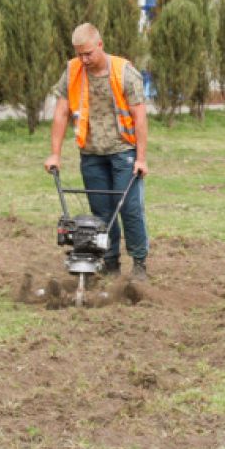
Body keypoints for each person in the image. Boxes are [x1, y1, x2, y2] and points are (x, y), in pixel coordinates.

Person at [44, 23, 150, 280]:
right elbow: (61, 112)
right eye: (79, 54)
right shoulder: (72, 71)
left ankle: (139, 263)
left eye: (88, 53)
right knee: (100, 212)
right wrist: (55, 154)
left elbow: (139, 116)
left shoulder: (123, 72)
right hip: (91, 153)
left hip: (123, 150)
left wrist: (141, 158)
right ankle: (110, 262)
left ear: (100, 45)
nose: (84, 59)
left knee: (129, 208)